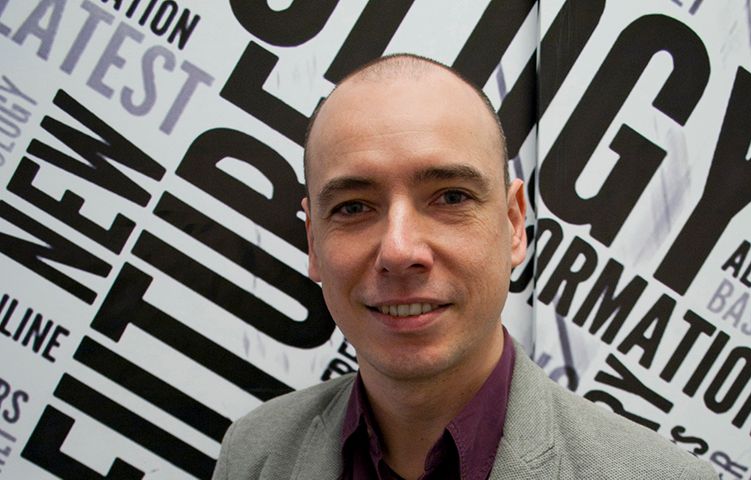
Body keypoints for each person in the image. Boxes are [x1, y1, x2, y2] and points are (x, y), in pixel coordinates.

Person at [212, 54, 717, 480]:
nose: (399, 250)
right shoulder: (253, 454)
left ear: (513, 224)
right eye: (353, 207)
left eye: (451, 197)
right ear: (314, 244)